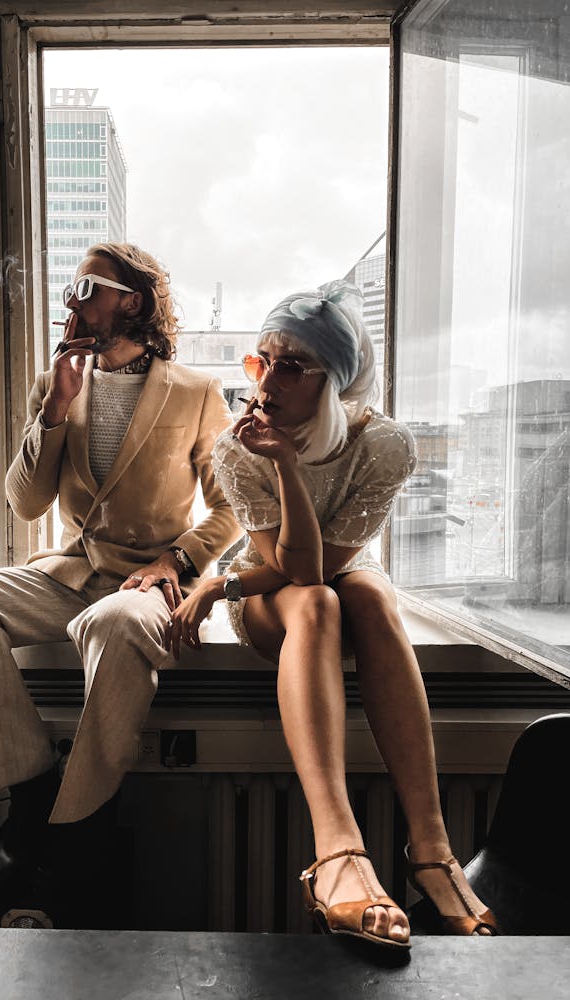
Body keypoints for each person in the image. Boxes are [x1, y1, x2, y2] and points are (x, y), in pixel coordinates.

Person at [166, 280, 498, 948]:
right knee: (316, 601)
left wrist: (222, 578)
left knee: (371, 592)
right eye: (262, 362)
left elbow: (337, 561)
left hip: (336, 574)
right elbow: (297, 574)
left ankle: (430, 850)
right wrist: (233, 570)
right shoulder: (237, 449)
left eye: (292, 365)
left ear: (335, 381)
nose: (268, 381)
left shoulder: (385, 445)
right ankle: (336, 851)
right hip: (274, 596)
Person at [0, 242, 241, 888]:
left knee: (117, 625)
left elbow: (232, 507)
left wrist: (179, 559)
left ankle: (79, 825)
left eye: (88, 288)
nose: (72, 301)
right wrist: (55, 408)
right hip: (66, 573)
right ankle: (33, 793)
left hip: (145, 585)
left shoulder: (197, 391)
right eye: (71, 289)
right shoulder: (54, 384)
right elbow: (24, 500)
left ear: (133, 302)